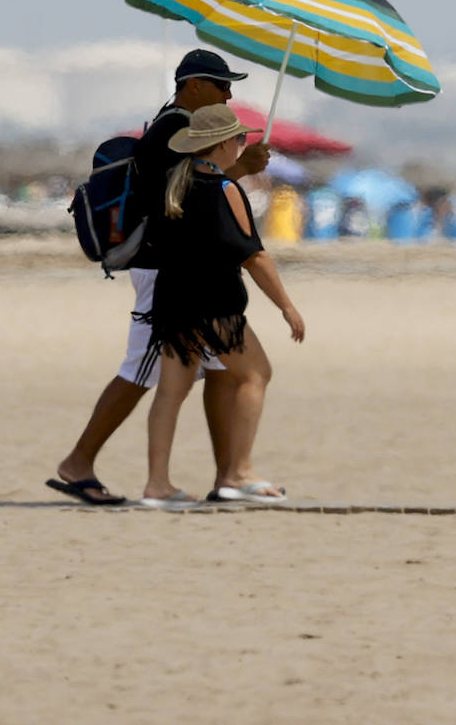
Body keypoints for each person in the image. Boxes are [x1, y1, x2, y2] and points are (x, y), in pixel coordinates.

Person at [47, 49, 270, 505]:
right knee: (142, 372)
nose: (230, 93)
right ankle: (80, 464)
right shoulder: (175, 129)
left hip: (176, 271)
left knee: (220, 370)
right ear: (191, 86)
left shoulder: (173, 126)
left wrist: (238, 168)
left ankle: (229, 475)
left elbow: (194, 183)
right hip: (163, 271)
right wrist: (243, 168)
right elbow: (188, 191)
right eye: (220, 84)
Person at [138, 104, 305, 506]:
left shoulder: (174, 183)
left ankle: (156, 484)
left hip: (173, 300)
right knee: (256, 374)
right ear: (223, 144)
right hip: (214, 304)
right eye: (240, 139)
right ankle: (237, 472)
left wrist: (242, 170)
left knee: (171, 392)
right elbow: (255, 255)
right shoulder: (226, 191)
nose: (244, 144)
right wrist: (287, 306)